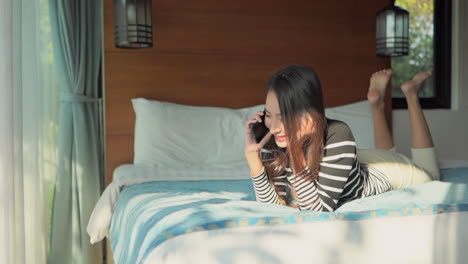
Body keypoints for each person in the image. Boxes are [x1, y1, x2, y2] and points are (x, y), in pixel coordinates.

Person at [244, 65, 440, 212]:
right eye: (269, 114)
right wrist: (253, 158)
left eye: (284, 117)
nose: (274, 127)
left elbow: (317, 212)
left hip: (386, 173)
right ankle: (377, 104)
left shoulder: (338, 133)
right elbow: (272, 208)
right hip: (350, 161)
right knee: (386, 152)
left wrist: (295, 149)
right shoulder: (273, 136)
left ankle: (412, 96)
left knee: (431, 175)